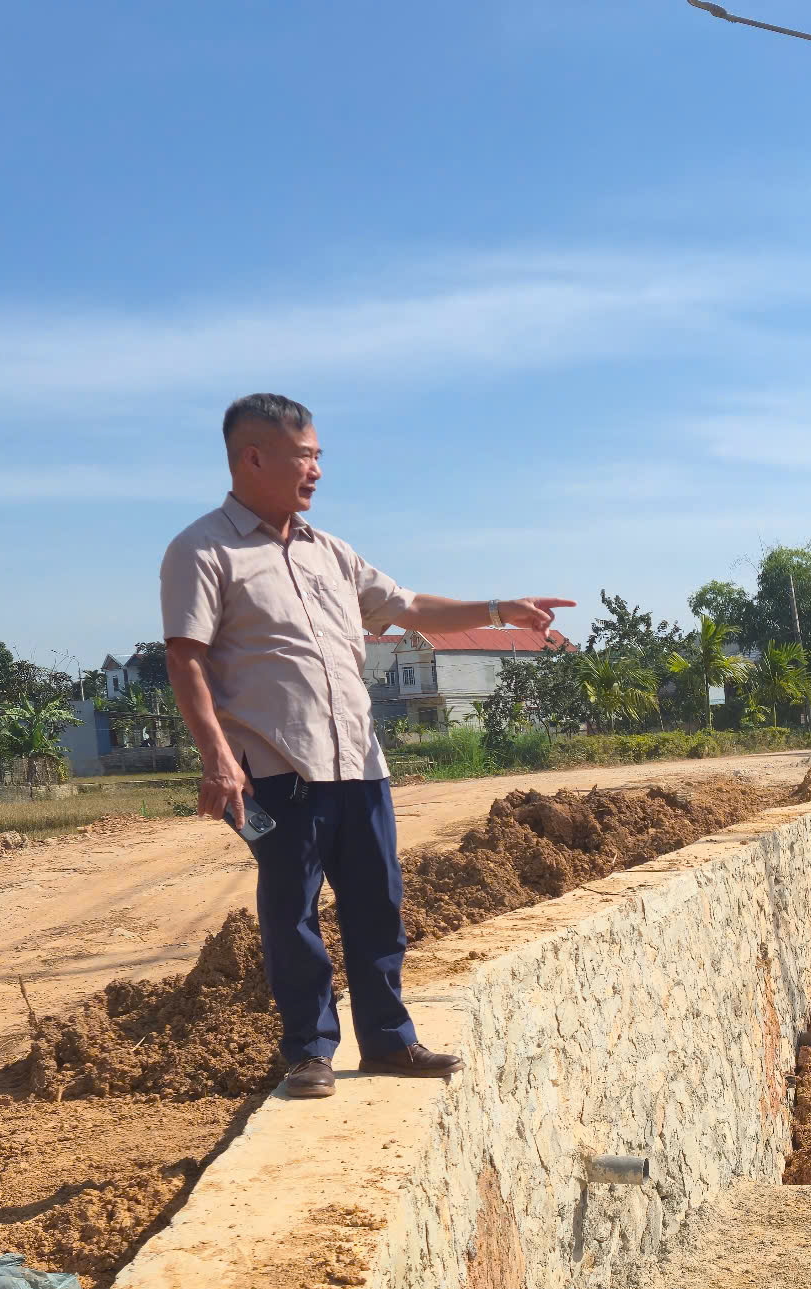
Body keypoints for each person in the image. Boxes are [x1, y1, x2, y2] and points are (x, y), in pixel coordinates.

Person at [160, 392, 574, 1099]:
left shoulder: (332, 554)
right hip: (277, 772)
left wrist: (501, 609)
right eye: (306, 455)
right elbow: (186, 657)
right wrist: (217, 759)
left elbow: (409, 608)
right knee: (292, 912)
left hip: (359, 765)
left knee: (377, 904)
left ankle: (388, 1040)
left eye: (318, 455)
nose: (317, 469)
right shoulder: (203, 551)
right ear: (254, 457)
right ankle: (310, 1052)